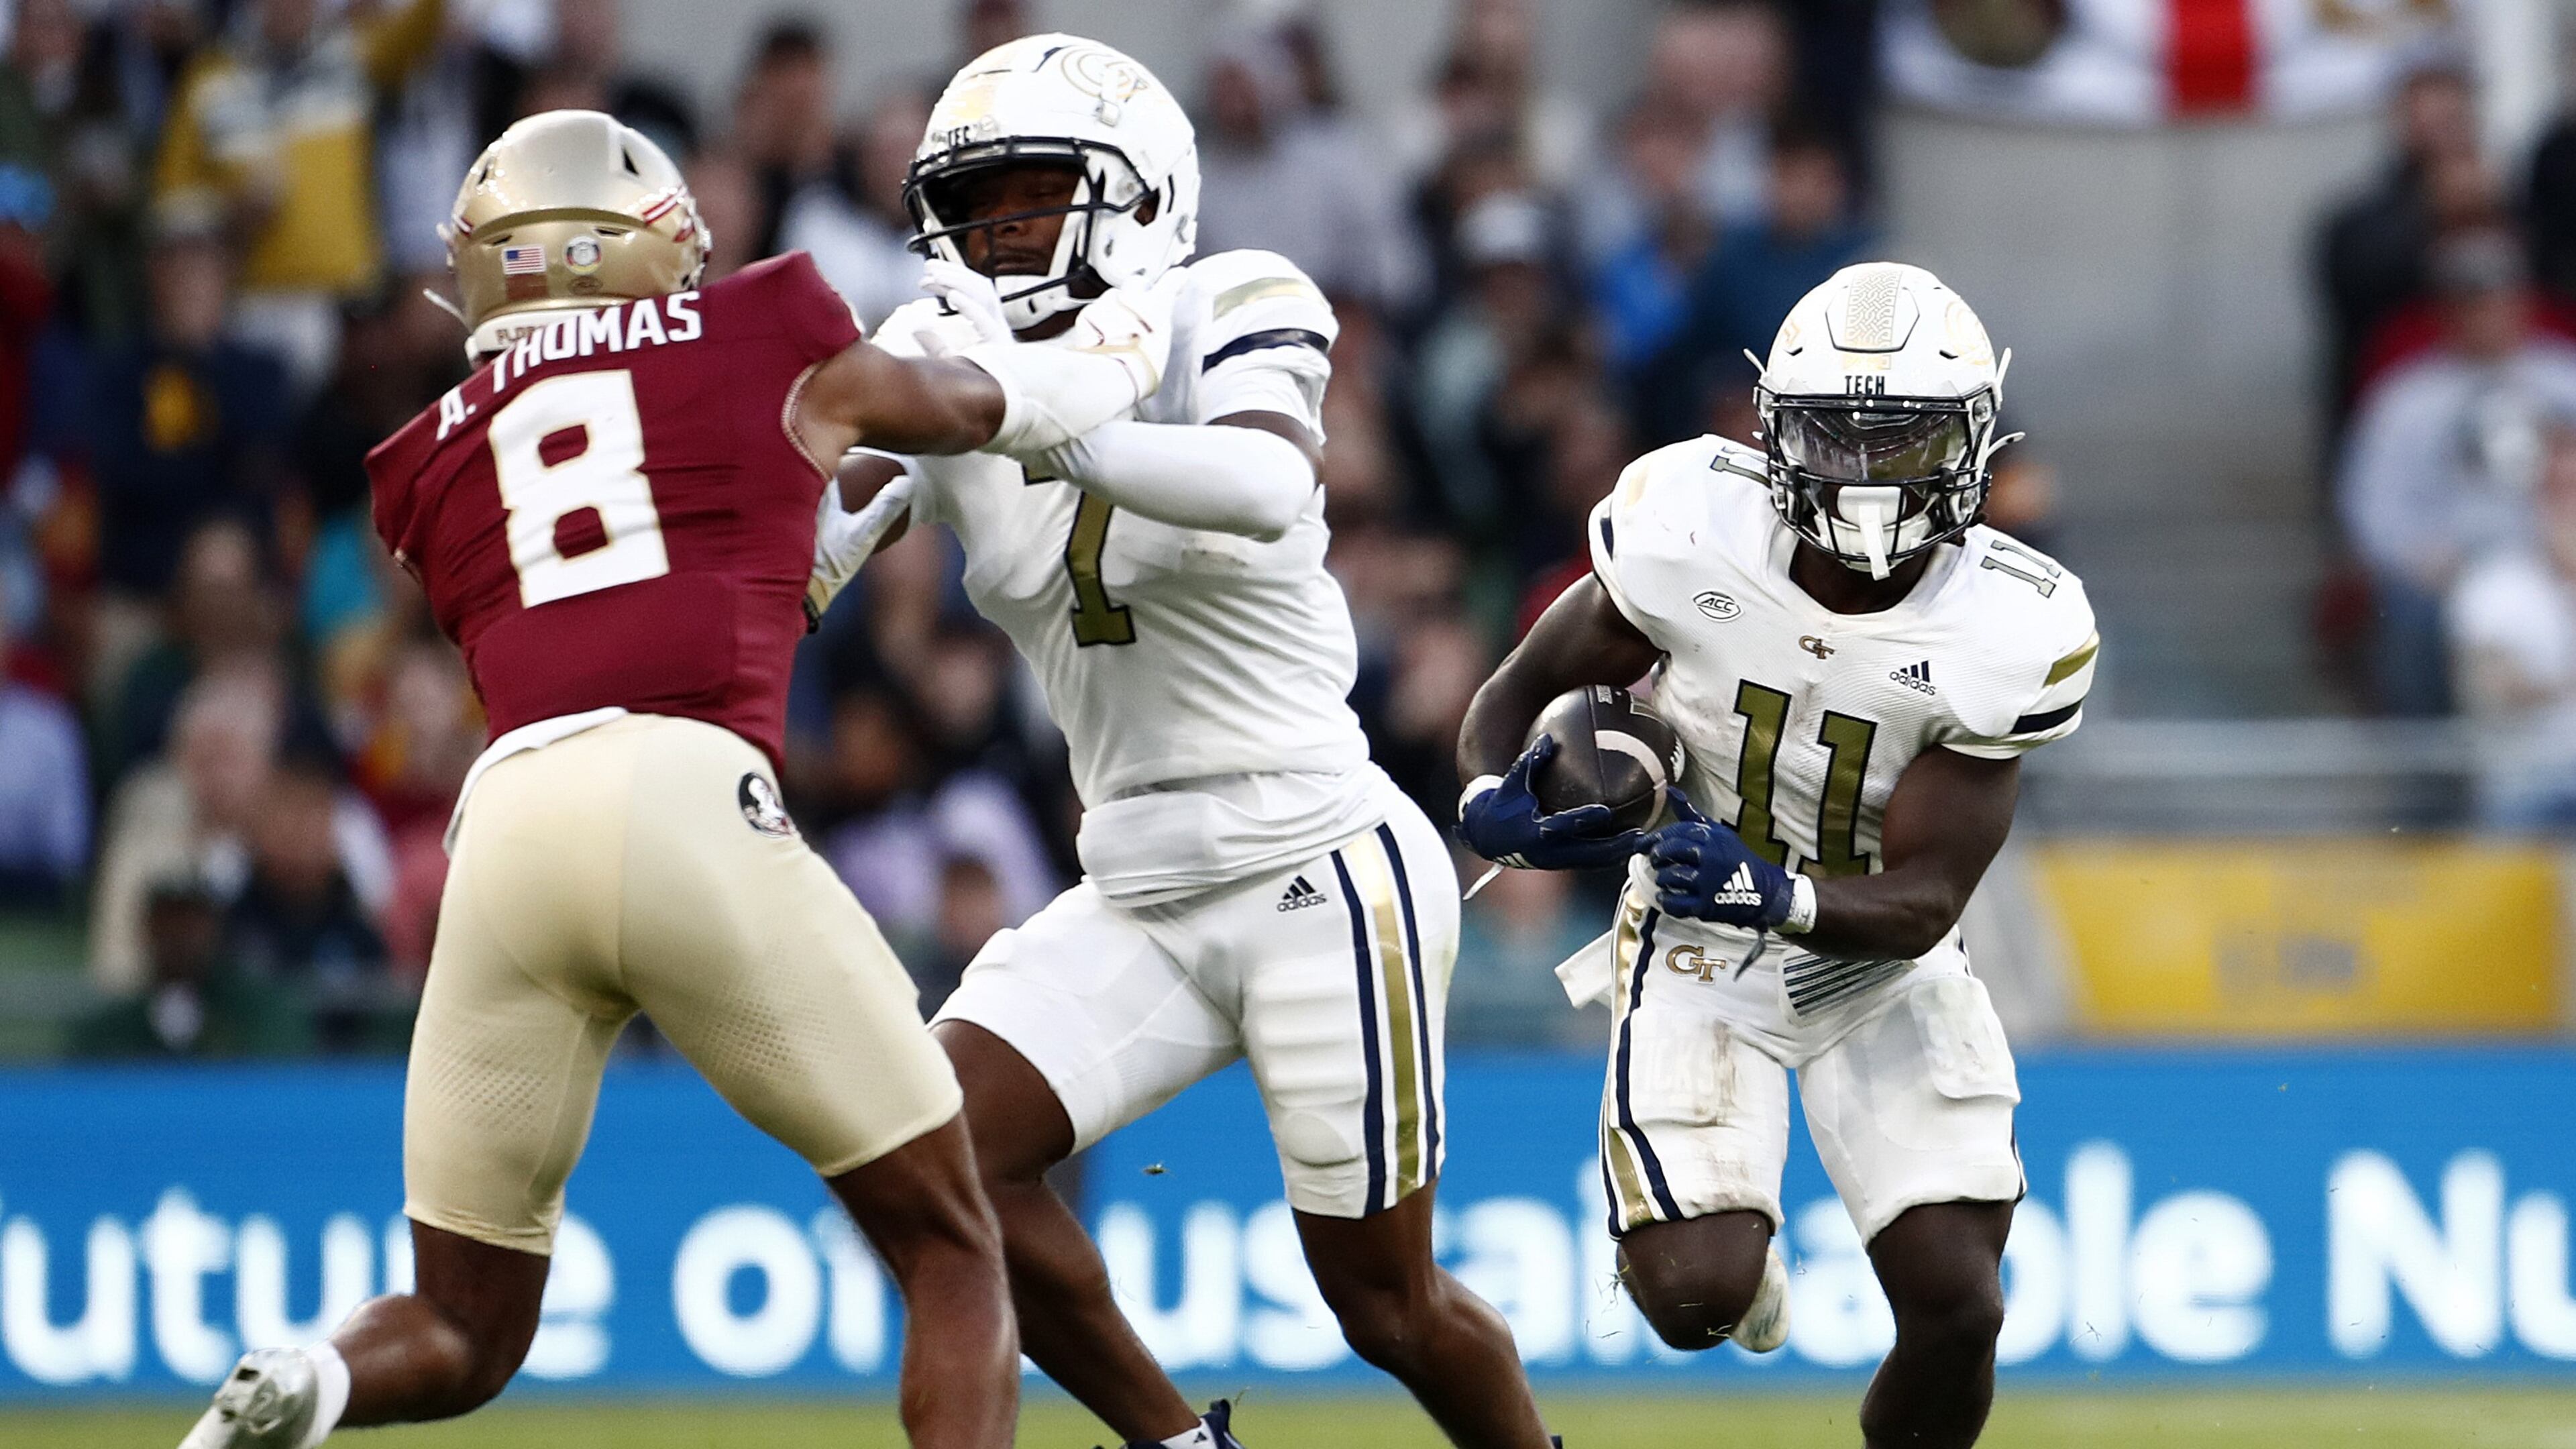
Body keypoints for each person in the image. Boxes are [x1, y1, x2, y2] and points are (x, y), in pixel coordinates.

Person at [176, 107, 1177, 1449]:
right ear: (642, 242)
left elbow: (612, 567)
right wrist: (1105, 356)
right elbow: (962, 415)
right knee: (953, 1244)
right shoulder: (759, 327)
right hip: (693, 797)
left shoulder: (429, 458)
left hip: (513, 823)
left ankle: (317, 1379)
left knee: (463, 1324)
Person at [811, 35, 1556, 1449]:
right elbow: (805, 561)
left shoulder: (1234, 297)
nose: (1001, 233)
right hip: (1135, 876)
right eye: (977, 205)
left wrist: (1040, 424)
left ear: (1143, 194)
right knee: (922, 1159)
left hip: (1316, 860)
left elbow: (1269, 479)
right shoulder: (937, 356)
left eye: (1034, 195)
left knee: (1384, 1307)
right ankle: (1174, 1441)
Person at [1455, 263, 2097, 1449]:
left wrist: (1778, 891)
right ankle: (1731, 1273)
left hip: (1873, 957)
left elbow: (1926, 900)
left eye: (1902, 446)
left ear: (1972, 444)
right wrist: (1493, 795)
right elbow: (1515, 693)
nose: (1866, 481)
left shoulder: (2008, 625)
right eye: (1837, 441)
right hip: (1700, 941)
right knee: (1693, 1296)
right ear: (1771, 435)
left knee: (1960, 1306)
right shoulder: (1690, 528)